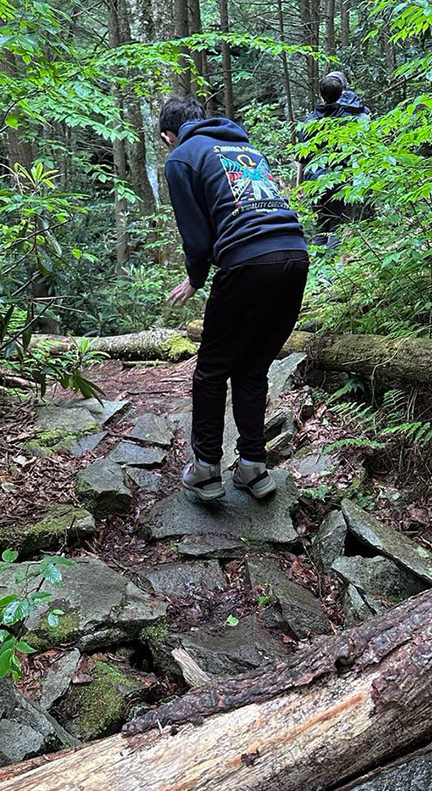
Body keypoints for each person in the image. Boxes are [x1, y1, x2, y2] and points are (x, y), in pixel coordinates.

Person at [159, 95, 309, 503]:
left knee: (211, 371)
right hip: (295, 258)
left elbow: (196, 234)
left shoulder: (182, 157)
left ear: (167, 135)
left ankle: (206, 470)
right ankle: (253, 468)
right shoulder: (245, 148)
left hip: (247, 262)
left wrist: (195, 278)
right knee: (252, 367)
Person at [296, 71, 370, 249]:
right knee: (338, 225)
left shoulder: (309, 121)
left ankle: (320, 270)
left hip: (314, 180)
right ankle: (331, 274)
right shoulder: (348, 118)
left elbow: (302, 157)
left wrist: (299, 184)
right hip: (339, 178)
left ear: (321, 94)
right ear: (342, 92)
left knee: (321, 225)